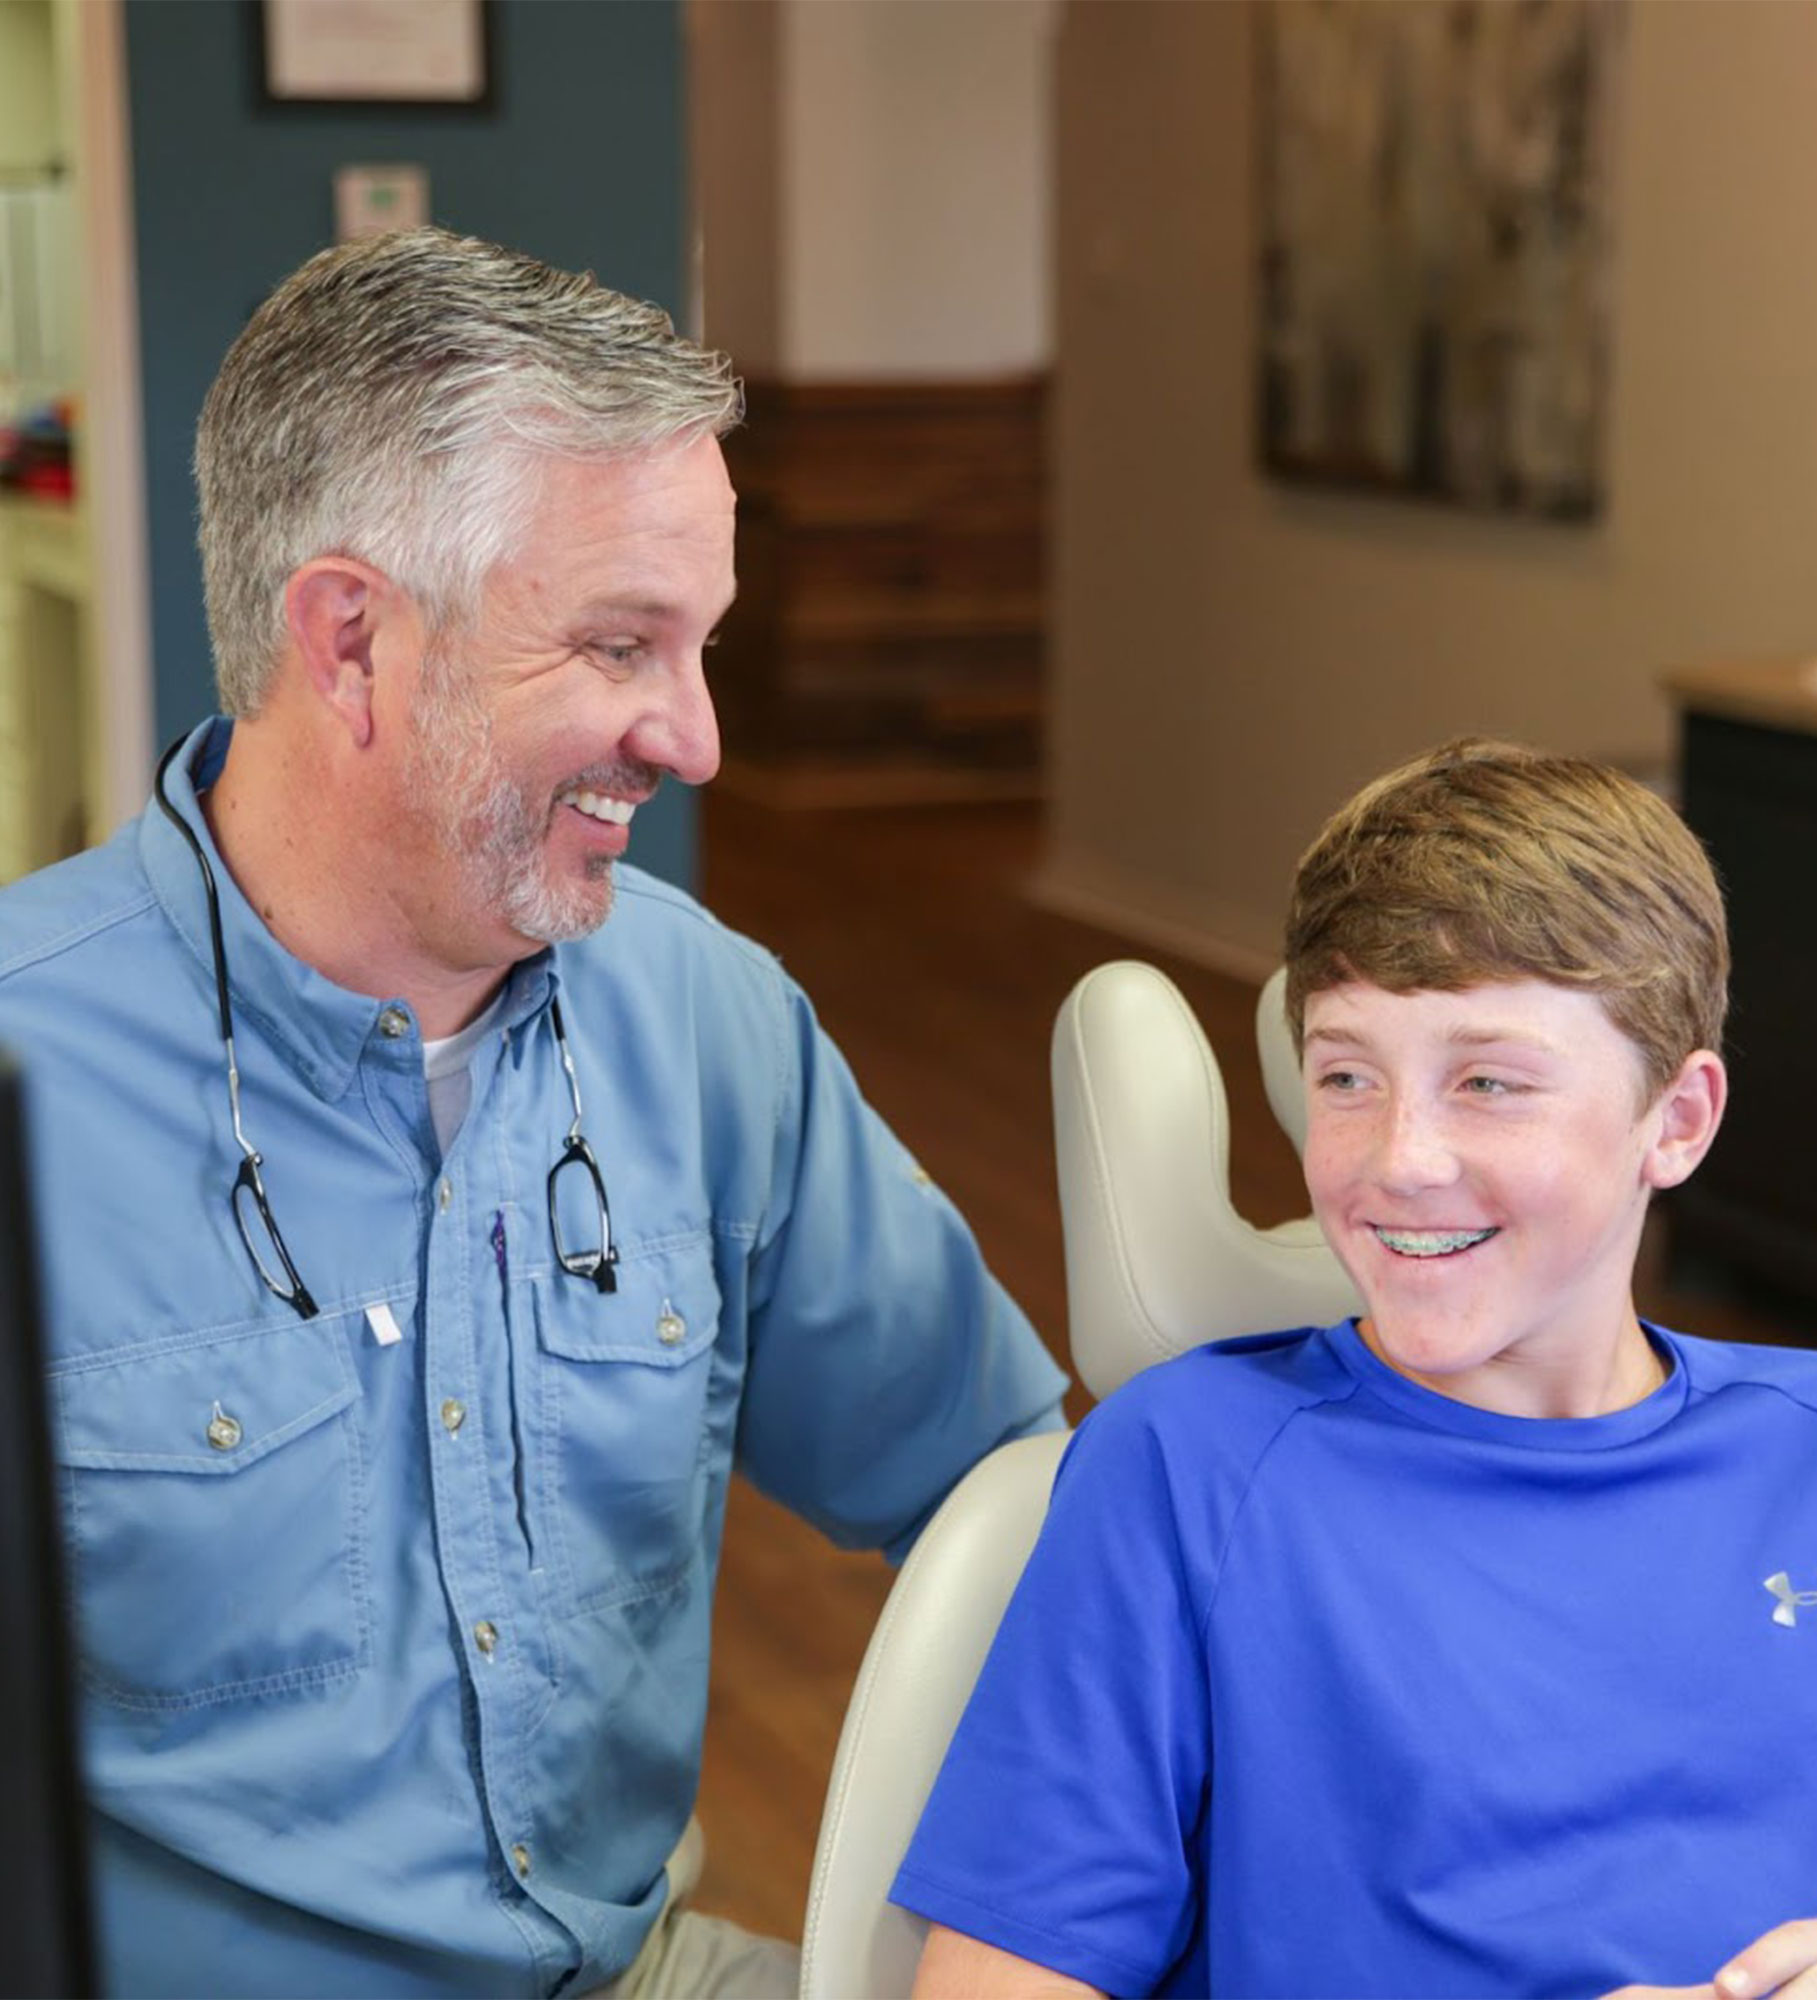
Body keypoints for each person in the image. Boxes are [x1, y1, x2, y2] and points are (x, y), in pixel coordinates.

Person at [0, 227, 1066, 1999]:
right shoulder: (26, 1070)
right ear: (349, 644)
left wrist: (1029, 1925)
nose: (697, 738)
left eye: (704, 646)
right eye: (622, 646)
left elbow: (1019, 1499)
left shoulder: (704, 1017)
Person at [891, 739, 1817, 1999]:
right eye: (1346, 1074)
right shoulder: (1187, 1472)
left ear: (1676, 1119)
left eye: (1486, 1080)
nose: (1398, 1157)